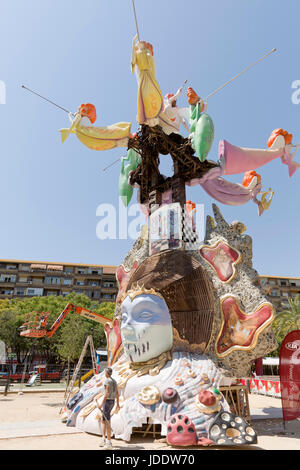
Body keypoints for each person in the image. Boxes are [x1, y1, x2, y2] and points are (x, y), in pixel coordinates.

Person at [98, 367, 120, 449]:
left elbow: (106, 393)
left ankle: (109, 442)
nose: (104, 374)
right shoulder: (114, 381)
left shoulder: (107, 381)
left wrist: (101, 404)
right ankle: (103, 438)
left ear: (107, 373)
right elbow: (117, 393)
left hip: (107, 402)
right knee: (103, 419)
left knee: (107, 421)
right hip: (112, 401)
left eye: (105, 372)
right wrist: (117, 404)